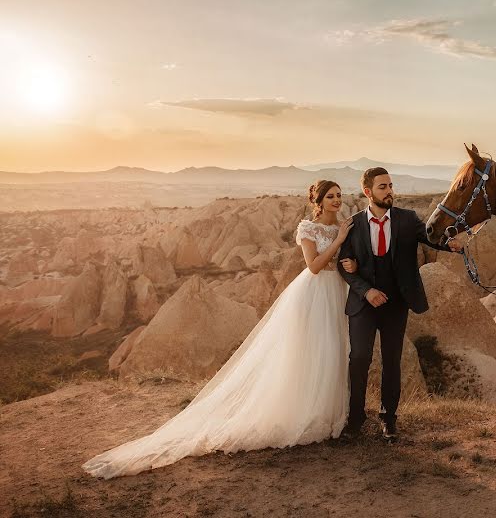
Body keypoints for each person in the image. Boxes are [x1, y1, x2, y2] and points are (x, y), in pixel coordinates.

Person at [82, 180, 358, 478]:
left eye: (339, 196)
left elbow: (345, 262)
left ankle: (329, 415)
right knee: (313, 351)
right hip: (315, 294)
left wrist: (350, 263)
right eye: (330, 196)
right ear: (318, 200)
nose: (336, 200)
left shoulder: (343, 226)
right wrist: (339, 240)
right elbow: (314, 266)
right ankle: (305, 414)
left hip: (337, 292)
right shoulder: (309, 228)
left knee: (333, 351)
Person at [338, 168, 463, 441]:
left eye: (391, 185)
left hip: (396, 304)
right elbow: (344, 266)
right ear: (368, 192)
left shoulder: (407, 219)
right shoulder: (354, 224)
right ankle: (355, 419)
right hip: (363, 303)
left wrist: (450, 244)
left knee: (392, 361)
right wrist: (366, 290)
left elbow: (431, 237)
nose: (390, 191)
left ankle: (388, 419)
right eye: (383, 187)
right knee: (359, 358)